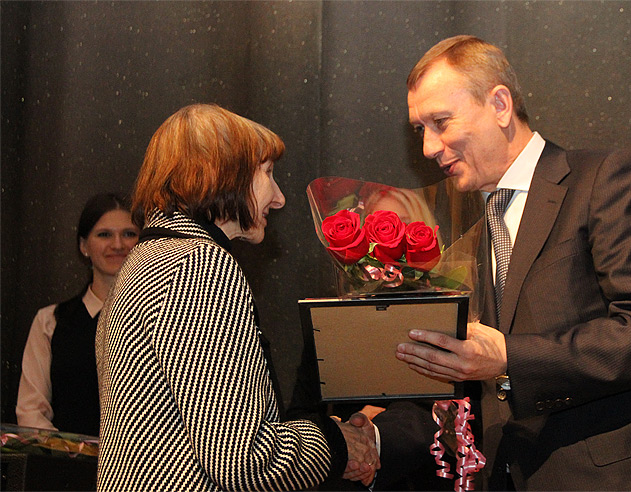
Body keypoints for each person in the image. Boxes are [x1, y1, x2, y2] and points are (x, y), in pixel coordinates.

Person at [388, 35, 631, 490]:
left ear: (500, 105)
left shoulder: (608, 179)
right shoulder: (471, 233)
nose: (428, 147)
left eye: (440, 122)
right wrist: (375, 431)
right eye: (419, 129)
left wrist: (507, 357)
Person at [96, 103, 378, 491]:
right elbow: (242, 460)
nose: (278, 198)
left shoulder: (147, 259)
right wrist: (333, 441)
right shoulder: (198, 265)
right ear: (219, 173)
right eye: (267, 173)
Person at [16, 192, 139, 437]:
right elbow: (31, 412)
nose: (118, 245)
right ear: (83, 246)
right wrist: (68, 451)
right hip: (65, 462)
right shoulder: (50, 322)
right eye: (104, 235)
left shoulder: (160, 322)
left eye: (129, 234)